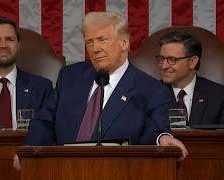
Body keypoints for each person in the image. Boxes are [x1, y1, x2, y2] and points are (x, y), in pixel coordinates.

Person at [24, 12, 188, 160]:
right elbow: (44, 122)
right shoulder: (70, 77)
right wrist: (28, 152)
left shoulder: (149, 89)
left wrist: (162, 139)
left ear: (124, 43)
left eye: (102, 40)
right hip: (64, 169)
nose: (95, 49)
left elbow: (154, 131)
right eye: (89, 42)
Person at [157, 31, 224, 126]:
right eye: (161, 59)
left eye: (171, 60)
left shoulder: (220, 96)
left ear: (192, 62)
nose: (164, 66)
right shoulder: (148, 94)